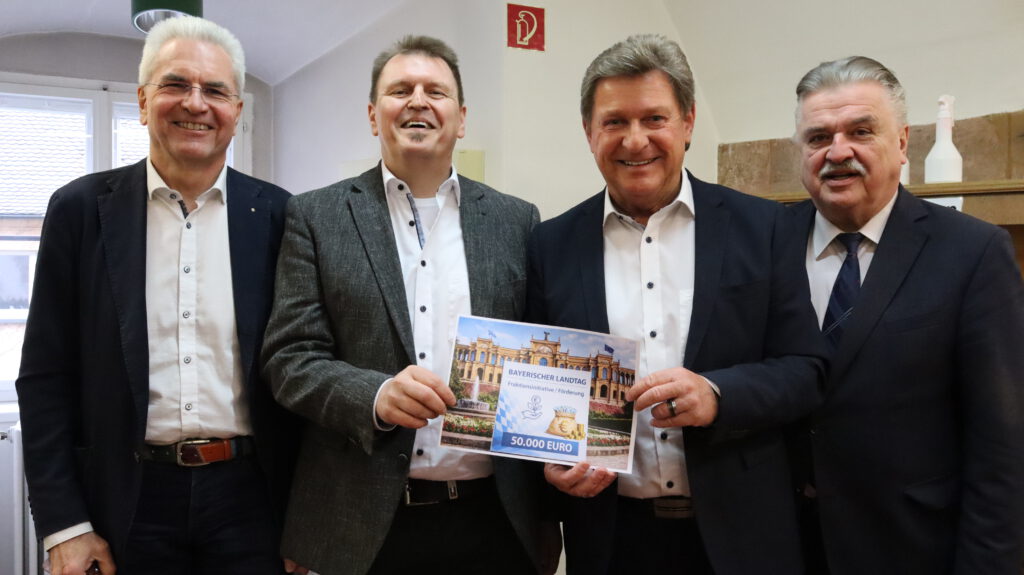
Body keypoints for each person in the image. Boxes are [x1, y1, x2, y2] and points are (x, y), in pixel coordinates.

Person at [525, 34, 827, 574]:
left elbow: (806, 370)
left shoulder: (765, 227)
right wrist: (551, 462)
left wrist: (718, 395)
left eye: (654, 119)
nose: (634, 139)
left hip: (743, 540)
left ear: (687, 122)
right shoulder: (551, 245)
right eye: (614, 121)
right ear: (589, 132)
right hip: (612, 541)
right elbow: (539, 384)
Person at [261, 35, 560, 575]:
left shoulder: (518, 221)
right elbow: (290, 359)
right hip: (361, 523)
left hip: (495, 520)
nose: (418, 100)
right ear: (373, 115)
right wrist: (375, 396)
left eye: (436, 92)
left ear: (461, 118)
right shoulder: (316, 216)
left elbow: (542, 357)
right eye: (400, 90)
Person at [15, 15, 299, 575]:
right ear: (143, 101)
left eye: (215, 90)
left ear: (237, 111)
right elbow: (45, 377)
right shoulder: (79, 210)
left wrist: (307, 522)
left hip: (252, 503)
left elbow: (301, 368)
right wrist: (64, 525)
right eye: (175, 84)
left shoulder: (281, 215)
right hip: (124, 499)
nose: (196, 103)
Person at [789, 55, 1024, 574]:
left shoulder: (972, 252)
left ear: (902, 142)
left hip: (912, 546)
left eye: (861, 131)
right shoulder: (766, 243)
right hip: (782, 547)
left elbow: (1001, 445)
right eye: (818, 137)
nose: (838, 152)